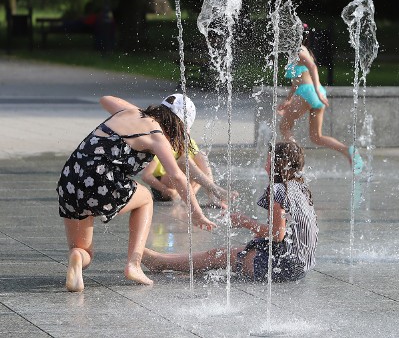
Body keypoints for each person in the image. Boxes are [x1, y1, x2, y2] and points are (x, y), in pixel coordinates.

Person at [57, 95, 216, 292]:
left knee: (85, 252)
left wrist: (141, 112)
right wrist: (197, 213)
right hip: (100, 182)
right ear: (181, 127)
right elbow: (177, 176)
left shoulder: (130, 112)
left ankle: (77, 257)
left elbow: (105, 99)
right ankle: (134, 264)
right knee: (146, 199)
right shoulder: (157, 136)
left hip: (70, 179)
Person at [143, 141, 318, 282]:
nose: (265, 163)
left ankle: (159, 262)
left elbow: (276, 234)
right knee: (224, 255)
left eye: (268, 159)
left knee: (218, 256)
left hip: (282, 266)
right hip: (299, 264)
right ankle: (163, 260)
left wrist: (244, 222)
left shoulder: (278, 190)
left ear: (275, 162)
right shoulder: (300, 188)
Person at [277, 23, 364, 174]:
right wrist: (289, 99)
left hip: (308, 92)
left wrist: (316, 89)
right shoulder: (303, 51)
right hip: (312, 94)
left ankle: (296, 164)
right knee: (316, 137)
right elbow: (298, 80)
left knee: (284, 127)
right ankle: (349, 151)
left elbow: (313, 67)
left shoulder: (299, 50)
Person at [140, 94, 235, 208]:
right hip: (164, 188)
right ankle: (214, 189)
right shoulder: (159, 140)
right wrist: (166, 190)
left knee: (201, 155)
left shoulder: (186, 142)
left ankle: (212, 196)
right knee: (183, 161)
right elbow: (146, 176)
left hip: (182, 188)